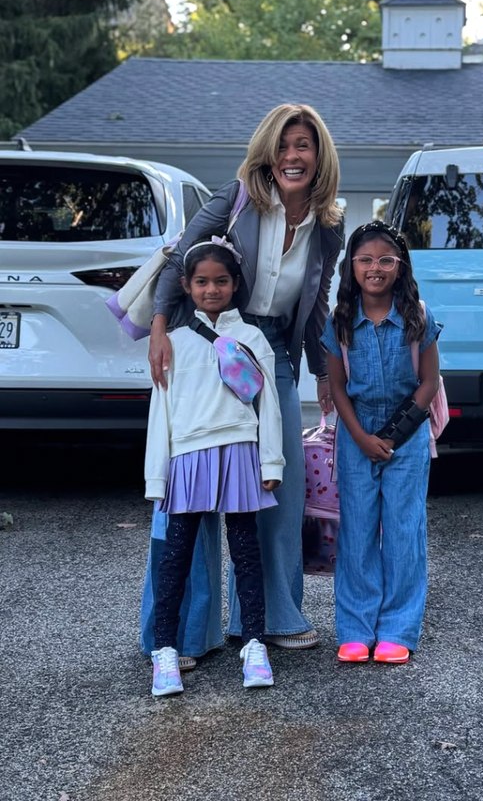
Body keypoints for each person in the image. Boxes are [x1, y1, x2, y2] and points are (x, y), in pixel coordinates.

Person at [143, 103, 343, 655]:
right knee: (190, 486)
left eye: (302, 145)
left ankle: (274, 618)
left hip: (271, 349)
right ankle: (187, 634)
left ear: (319, 155)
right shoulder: (235, 200)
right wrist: (159, 327)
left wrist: (322, 372)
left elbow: (316, 302)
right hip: (205, 340)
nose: (291, 156)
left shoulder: (328, 225)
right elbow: (178, 262)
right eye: (282, 146)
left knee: (278, 486)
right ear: (266, 153)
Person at [145, 240, 283, 697]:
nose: (211, 289)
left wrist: (271, 460)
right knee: (175, 558)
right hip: (187, 457)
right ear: (186, 285)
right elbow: (161, 412)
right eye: (201, 282)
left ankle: (255, 645)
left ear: (235, 284)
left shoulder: (253, 339)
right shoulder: (172, 343)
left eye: (220, 281)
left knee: (246, 552)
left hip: (241, 451)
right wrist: (156, 476)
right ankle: (165, 650)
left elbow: (269, 405)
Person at [320, 221, 441, 665]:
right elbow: (337, 387)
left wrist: (391, 436)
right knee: (357, 532)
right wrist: (360, 437)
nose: (376, 268)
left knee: (405, 530)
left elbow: (429, 382)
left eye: (386, 260)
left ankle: (397, 629)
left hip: (406, 433)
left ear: (400, 266)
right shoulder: (340, 322)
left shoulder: (418, 317)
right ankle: (355, 629)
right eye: (366, 260)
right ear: (351, 266)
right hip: (356, 433)